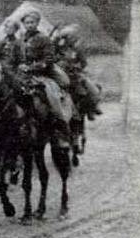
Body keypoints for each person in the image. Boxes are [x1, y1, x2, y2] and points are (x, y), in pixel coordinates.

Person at [18, 10, 72, 147]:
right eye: (27, 23)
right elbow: (17, 56)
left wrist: (32, 67)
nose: (29, 25)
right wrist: (19, 65)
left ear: (37, 23)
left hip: (42, 74)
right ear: (23, 24)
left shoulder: (43, 39)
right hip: (23, 74)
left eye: (32, 22)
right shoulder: (21, 38)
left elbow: (49, 59)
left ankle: (61, 127)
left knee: (51, 94)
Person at [53, 25, 103, 120]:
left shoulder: (77, 50)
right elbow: (52, 57)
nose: (72, 40)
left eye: (74, 37)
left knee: (86, 89)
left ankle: (90, 108)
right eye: (69, 37)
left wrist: (75, 66)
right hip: (59, 73)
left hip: (74, 74)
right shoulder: (58, 49)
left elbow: (84, 63)